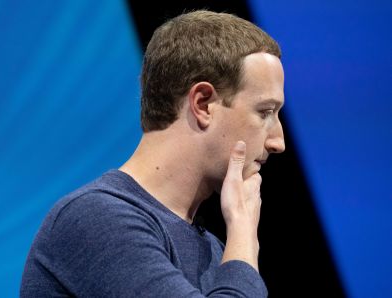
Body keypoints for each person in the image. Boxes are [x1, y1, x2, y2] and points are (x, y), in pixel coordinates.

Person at [21, 10, 285, 297]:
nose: (277, 142)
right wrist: (244, 235)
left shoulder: (214, 250)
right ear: (203, 103)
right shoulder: (96, 218)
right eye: (265, 112)